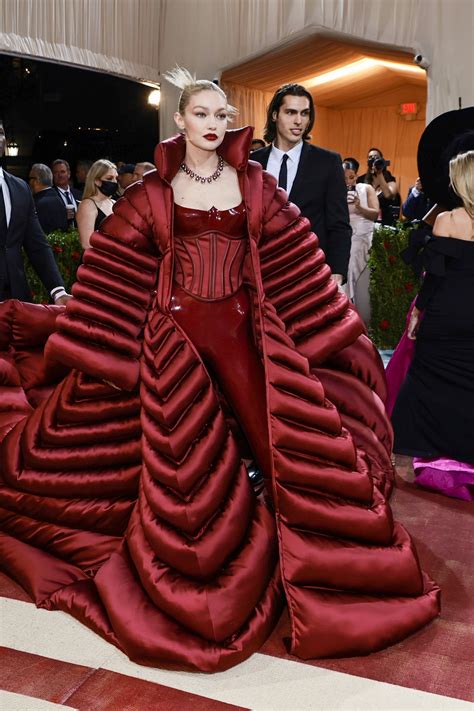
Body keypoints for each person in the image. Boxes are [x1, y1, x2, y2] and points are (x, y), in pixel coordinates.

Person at [0, 71, 439, 673]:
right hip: (172, 337)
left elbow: (295, 254)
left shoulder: (253, 184)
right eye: (200, 114)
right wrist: (103, 335)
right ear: (179, 121)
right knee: (176, 452)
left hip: (241, 333)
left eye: (220, 114)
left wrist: (324, 322)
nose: (212, 123)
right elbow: (112, 267)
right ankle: (209, 562)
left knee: (281, 443)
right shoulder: (152, 192)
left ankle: (314, 575)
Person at [392, 145, 474, 501]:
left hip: (445, 313)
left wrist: (416, 313)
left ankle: (405, 455)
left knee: (423, 381)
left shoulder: (449, 220)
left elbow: (434, 277)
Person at [251, 84, 351, 283]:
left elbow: (339, 224)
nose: (298, 121)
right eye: (290, 112)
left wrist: (337, 272)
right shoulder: (253, 164)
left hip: (311, 270)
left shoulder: (328, 162)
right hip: (261, 271)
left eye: (304, 113)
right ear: (274, 115)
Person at [0, 119, 68, 303]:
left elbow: (36, 243)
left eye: (1, 133)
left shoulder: (20, 188)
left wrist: (58, 291)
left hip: (15, 299)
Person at [343, 157, 378, 324]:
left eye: (351, 176)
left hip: (363, 233)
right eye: (344, 176)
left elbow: (374, 213)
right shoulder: (335, 189)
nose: (348, 179)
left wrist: (359, 206)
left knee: (351, 262)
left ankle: (347, 305)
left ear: (356, 175)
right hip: (344, 234)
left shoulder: (367, 188)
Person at [76, 159, 118, 249]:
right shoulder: (87, 205)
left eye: (116, 178)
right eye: (109, 178)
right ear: (97, 181)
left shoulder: (114, 203)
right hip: (97, 260)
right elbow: (87, 244)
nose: (114, 182)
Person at [357, 147, 401, 225]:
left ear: (382, 161)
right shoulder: (361, 180)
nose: (373, 159)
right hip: (364, 222)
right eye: (370, 157)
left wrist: (379, 173)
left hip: (384, 225)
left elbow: (388, 195)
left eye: (376, 157)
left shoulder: (390, 180)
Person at [28, 163, 69, 234]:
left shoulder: (37, 204)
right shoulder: (58, 198)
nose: (29, 182)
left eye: (30, 178)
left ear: (36, 180)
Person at [52, 158, 82, 226]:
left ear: (69, 174)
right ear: (52, 175)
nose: (60, 175)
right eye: (56, 172)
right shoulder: (51, 196)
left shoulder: (79, 195)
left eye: (62, 172)